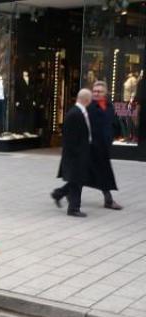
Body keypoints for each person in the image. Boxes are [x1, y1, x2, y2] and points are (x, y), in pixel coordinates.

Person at [51, 89, 93, 217]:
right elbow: (70, 138)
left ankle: (58, 194)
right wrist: (77, 155)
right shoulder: (75, 114)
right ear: (86, 99)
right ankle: (73, 209)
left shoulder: (81, 112)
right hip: (76, 155)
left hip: (80, 154)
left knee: (76, 181)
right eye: (90, 99)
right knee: (77, 182)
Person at [87, 81, 122, 210]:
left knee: (88, 174)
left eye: (99, 91)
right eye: (94, 91)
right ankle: (109, 200)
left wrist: (113, 135)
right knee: (102, 173)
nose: (96, 93)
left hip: (103, 146)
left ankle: (62, 193)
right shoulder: (89, 107)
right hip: (91, 147)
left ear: (105, 93)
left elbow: (114, 122)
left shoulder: (109, 106)